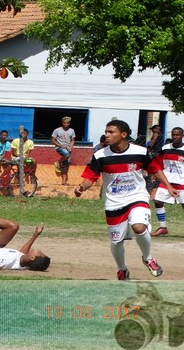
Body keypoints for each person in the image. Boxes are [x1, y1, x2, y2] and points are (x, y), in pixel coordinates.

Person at [74, 119, 179, 280]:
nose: (106, 135)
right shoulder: (100, 155)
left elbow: (155, 169)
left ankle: (148, 258)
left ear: (123, 134)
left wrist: (169, 186)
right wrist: (82, 187)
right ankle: (122, 269)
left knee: (139, 227)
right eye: (106, 132)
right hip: (114, 202)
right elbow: (91, 177)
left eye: (111, 132)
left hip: (137, 197)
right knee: (116, 241)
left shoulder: (140, 152)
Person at [150, 127, 184, 237]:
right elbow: (158, 163)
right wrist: (155, 174)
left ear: (182, 136)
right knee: (158, 201)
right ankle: (163, 227)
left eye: (178, 135)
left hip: (182, 182)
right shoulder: (165, 148)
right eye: (173, 134)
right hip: (167, 182)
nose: (175, 137)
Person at [52, 116, 76, 185]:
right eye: (64, 123)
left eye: (67, 123)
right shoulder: (57, 130)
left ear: (69, 123)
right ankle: (58, 162)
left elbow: (72, 140)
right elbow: (53, 140)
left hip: (68, 148)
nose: (66, 124)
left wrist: (71, 146)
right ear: (62, 123)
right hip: (59, 147)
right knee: (66, 154)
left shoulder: (72, 130)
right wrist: (60, 145)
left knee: (66, 165)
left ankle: (64, 181)